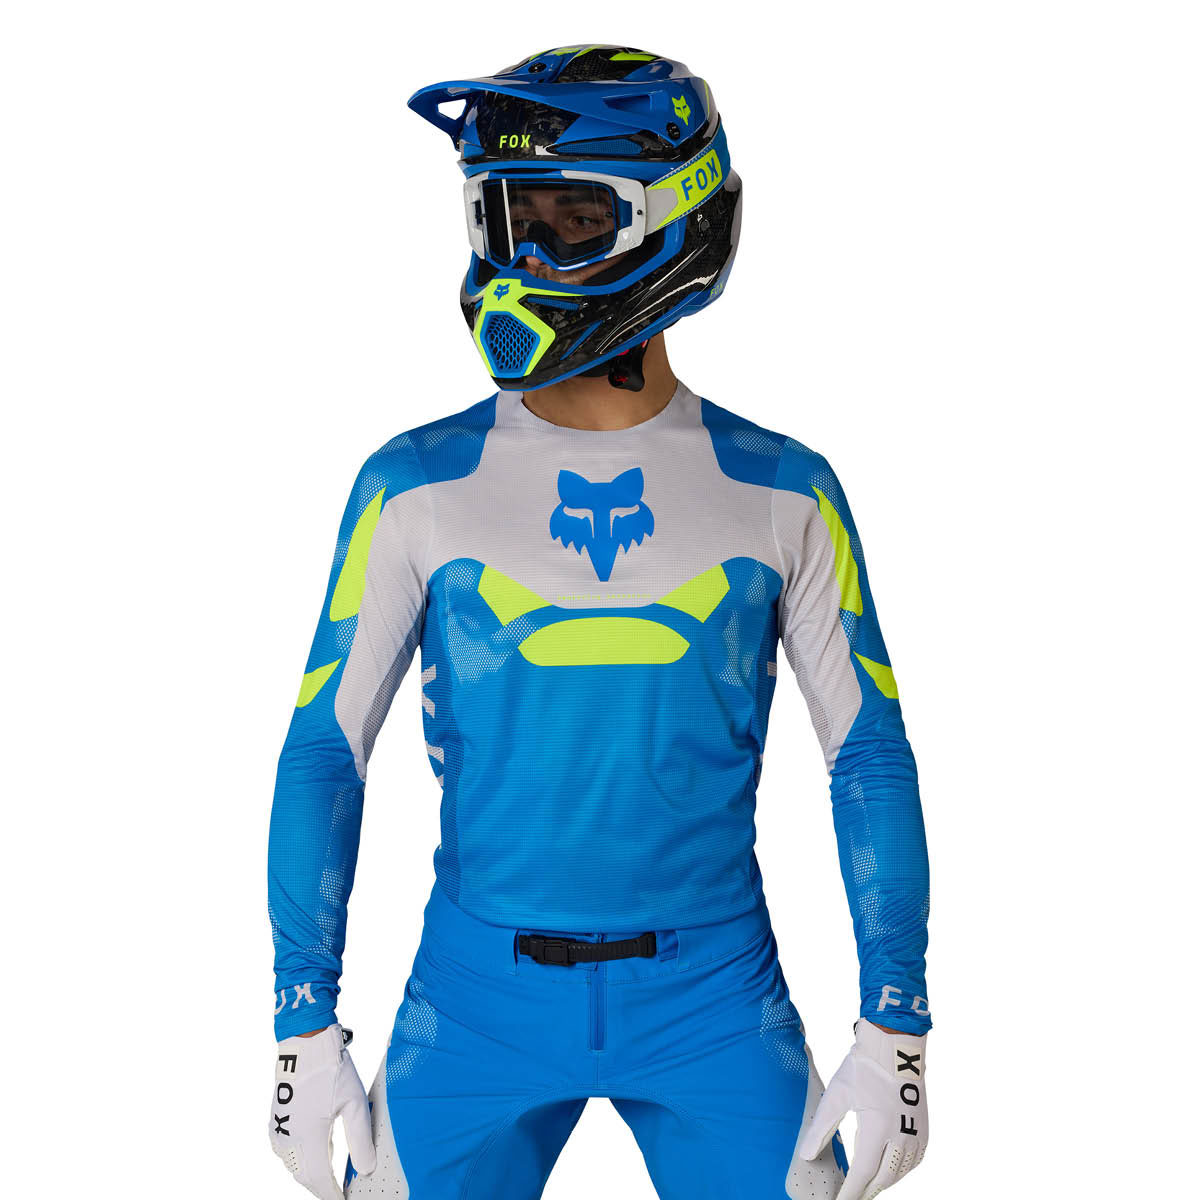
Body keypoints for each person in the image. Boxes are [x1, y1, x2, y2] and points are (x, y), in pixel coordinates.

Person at [267, 45, 931, 1200]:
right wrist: (299, 1020)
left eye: (569, 218)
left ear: (675, 219)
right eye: (500, 216)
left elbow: (867, 753)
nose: (520, 257)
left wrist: (898, 1026)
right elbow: (327, 750)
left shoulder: (785, 490)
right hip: (473, 1002)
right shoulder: (412, 485)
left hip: (715, 999)